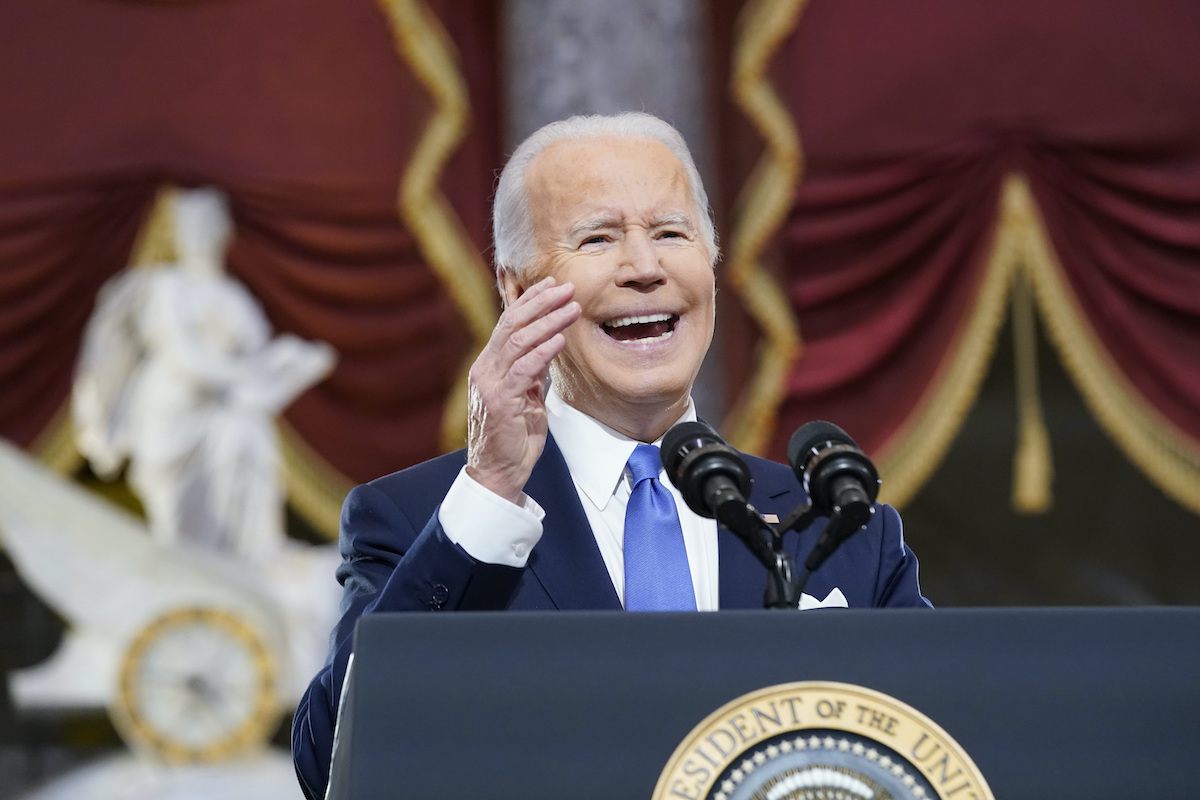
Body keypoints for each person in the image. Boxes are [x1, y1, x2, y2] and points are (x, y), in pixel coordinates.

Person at [291, 112, 929, 799]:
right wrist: (492, 489)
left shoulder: (840, 523)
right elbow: (335, 762)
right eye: (598, 239)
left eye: (670, 234)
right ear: (515, 290)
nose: (645, 269)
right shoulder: (418, 519)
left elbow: (944, 742)